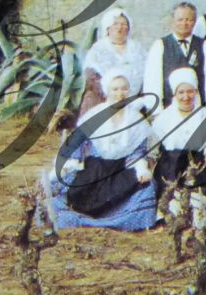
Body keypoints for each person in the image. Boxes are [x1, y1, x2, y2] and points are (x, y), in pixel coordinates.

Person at [41, 68, 159, 230]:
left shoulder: (135, 118)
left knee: (147, 186)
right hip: (95, 169)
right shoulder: (94, 115)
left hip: (121, 168)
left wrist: (141, 169)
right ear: (107, 91)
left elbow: (138, 151)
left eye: (124, 88)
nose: (120, 93)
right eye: (115, 89)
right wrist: (66, 166)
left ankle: (122, 220)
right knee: (65, 192)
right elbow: (77, 144)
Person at [149, 67, 206, 199]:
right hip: (169, 174)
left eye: (190, 91)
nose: (186, 97)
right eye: (181, 92)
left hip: (197, 173)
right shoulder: (163, 118)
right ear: (174, 94)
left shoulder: (205, 117)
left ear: (196, 92)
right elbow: (151, 153)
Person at [143, 2, 206, 107]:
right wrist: (156, 112)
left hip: (197, 110)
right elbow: (152, 82)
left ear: (195, 21)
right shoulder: (160, 46)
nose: (184, 23)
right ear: (172, 20)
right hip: (168, 110)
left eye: (189, 19)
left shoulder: (204, 46)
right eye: (180, 19)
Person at [79, 7, 147, 117]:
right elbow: (91, 77)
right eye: (115, 24)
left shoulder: (137, 48)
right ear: (107, 28)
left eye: (124, 24)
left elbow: (147, 74)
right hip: (102, 100)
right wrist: (114, 96)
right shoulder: (98, 48)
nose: (120, 28)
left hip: (134, 101)